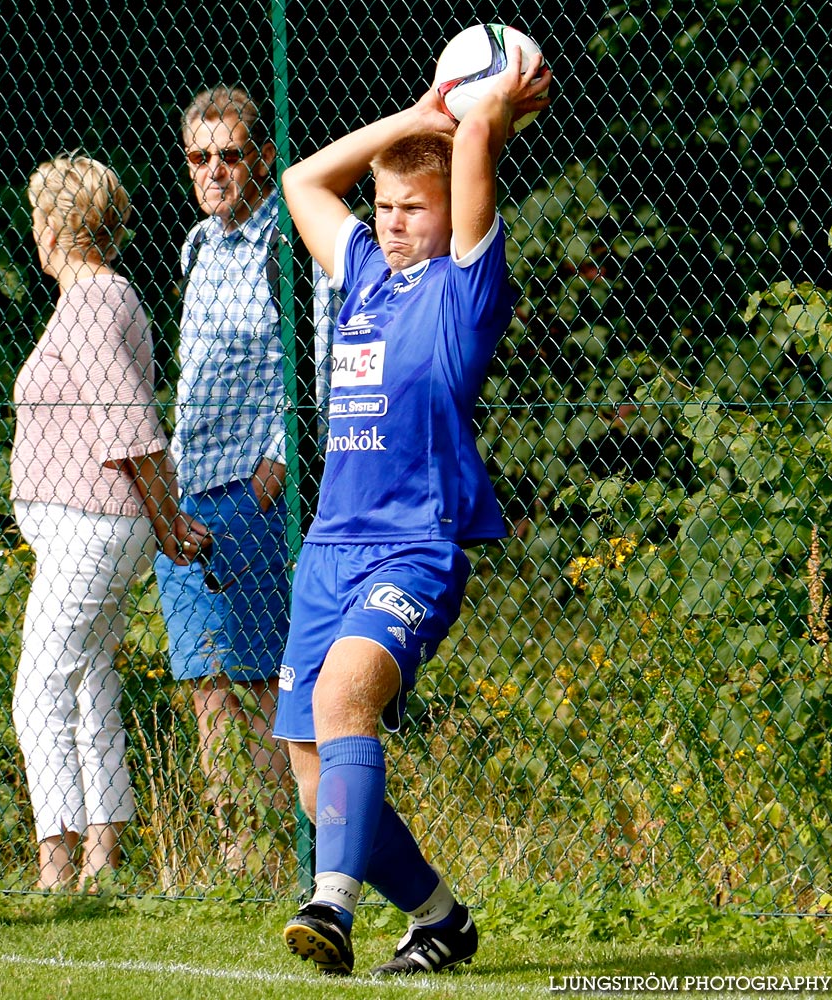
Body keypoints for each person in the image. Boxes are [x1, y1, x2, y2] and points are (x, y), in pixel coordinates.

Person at [275, 52, 553, 975]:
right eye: (386, 209)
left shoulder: (461, 291)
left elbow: (474, 143)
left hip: (413, 548)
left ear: (451, 218)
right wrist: (410, 116)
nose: (393, 225)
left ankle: (331, 905)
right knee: (316, 781)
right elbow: (302, 180)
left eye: (414, 210)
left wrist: (485, 110)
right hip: (326, 549)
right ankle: (439, 919)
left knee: (344, 696)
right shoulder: (362, 273)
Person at [11, 154, 208, 891]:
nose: (35, 230)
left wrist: (167, 520)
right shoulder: (98, 299)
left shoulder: (94, 300)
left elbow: (130, 426)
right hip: (89, 525)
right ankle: (101, 856)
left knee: (39, 688)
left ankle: (56, 864)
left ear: (58, 224)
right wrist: (162, 521)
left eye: (39, 216)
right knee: (87, 679)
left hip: (89, 523)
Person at [152, 85, 293, 871]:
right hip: (191, 484)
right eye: (199, 157)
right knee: (204, 680)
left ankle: (280, 849)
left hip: (252, 483)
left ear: (261, 159)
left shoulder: (283, 241)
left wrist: (278, 459)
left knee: (261, 674)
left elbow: (309, 354)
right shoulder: (197, 245)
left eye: (229, 155)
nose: (212, 171)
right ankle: (235, 849)